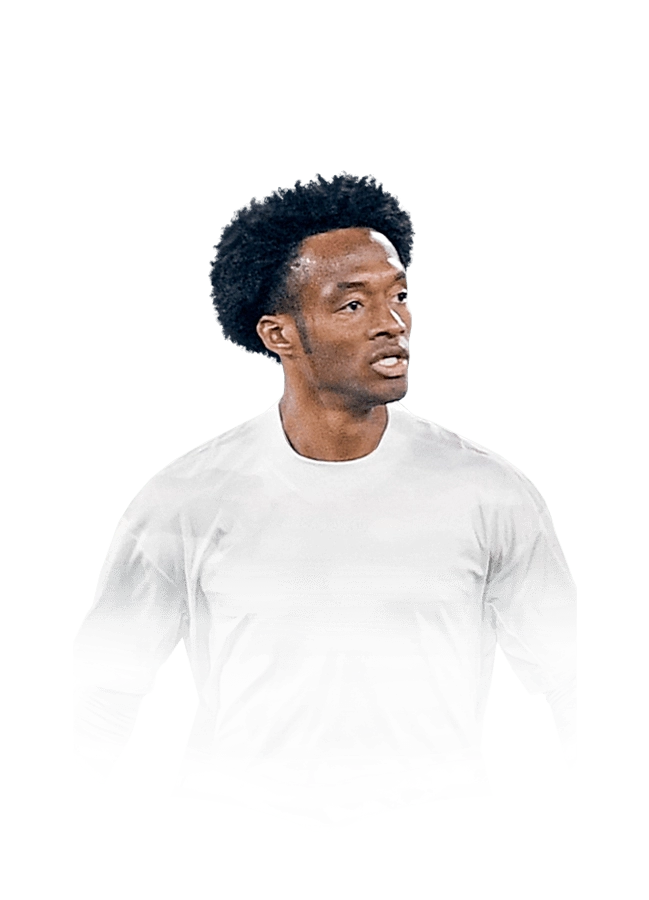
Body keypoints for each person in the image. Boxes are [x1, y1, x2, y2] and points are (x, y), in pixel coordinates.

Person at [72, 171, 578, 834]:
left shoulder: (487, 491)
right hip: (235, 831)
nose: (392, 324)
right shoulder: (186, 498)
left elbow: (575, 681)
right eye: (353, 305)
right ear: (279, 334)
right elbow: (105, 693)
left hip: (438, 833)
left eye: (399, 296)